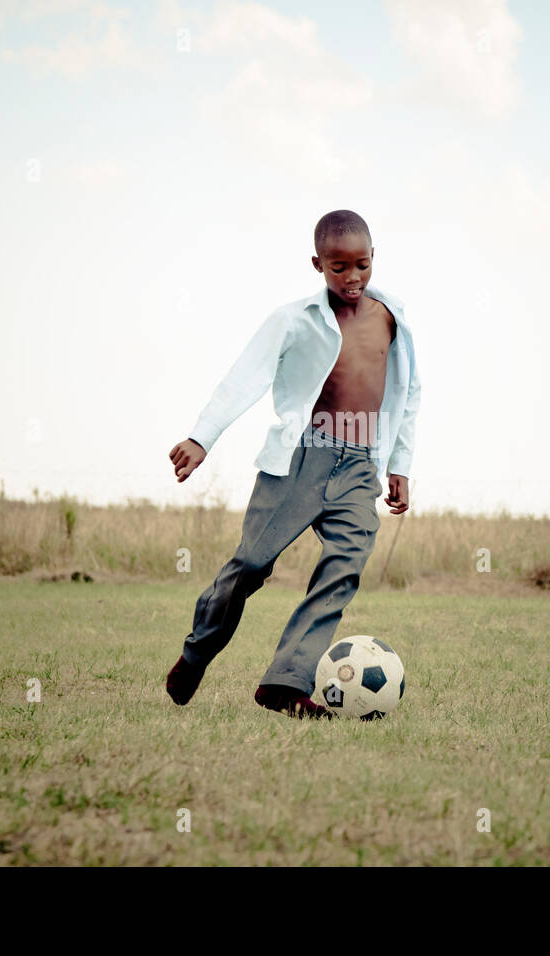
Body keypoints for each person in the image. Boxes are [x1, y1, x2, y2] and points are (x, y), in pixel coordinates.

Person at [164, 210, 421, 718]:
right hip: (302, 457)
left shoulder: (392, 317)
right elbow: (245, 376)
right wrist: (202, 435)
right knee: (251, 566)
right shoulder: (293, 318)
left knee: (342, 572)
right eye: (339, 267)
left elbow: (408, 392)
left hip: (359, 466)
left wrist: (399, 464)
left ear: (374, 260)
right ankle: (198, 651)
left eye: (361, 265)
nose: (352, 278)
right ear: (318, 264)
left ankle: (286, 681)